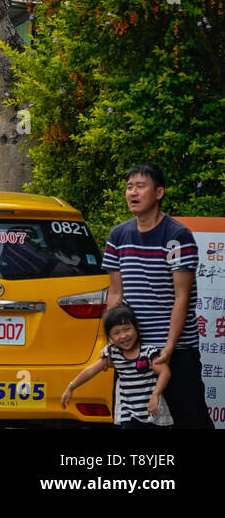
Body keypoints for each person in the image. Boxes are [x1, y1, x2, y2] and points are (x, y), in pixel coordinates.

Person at [102, 163, 213, 429]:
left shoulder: (176, 236)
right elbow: (116, 293)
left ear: (159, 192)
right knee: (135, 422)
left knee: (190, 419)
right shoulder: (118, 236)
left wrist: (168, 348)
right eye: (129, 187)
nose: (133, 193)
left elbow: (181, 298)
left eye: (140, 186)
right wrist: (110, 343)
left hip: (176, 350)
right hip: (133, 349)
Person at [62, 304, 172, 428]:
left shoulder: (148, 352)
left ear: (136, 328)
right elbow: (90, 371)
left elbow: (165, 372)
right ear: (110, 338)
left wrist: (155, 395)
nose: (123, 336)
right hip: (129, 415)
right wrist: (71, 387)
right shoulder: (113, 354)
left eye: (127, 329)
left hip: (153, 414)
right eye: (116, 333)